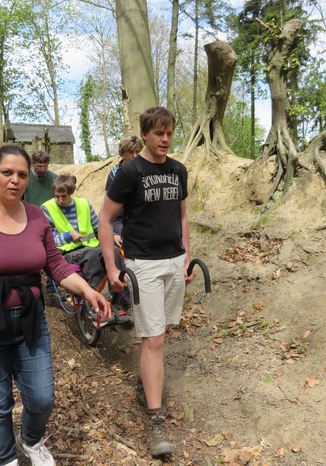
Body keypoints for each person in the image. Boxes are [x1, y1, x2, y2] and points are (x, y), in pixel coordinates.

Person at [0, 145, 110, 466]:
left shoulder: (37, 216)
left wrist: (88, 291)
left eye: (21, 175)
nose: (14, 180)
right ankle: (6, 460)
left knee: (42, 397)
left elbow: (56, 265)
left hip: (29, 318)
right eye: (7, 173)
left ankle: (31, 441)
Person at [99, 107, 194, 457]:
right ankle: (155, 420)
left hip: (173, 261)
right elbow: (106, 221)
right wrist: (112, 267)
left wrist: (186, 256)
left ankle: (145, 382)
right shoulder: (130, 172)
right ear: (145, 135)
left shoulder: (178, 170)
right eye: (158, 133)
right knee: (152, 338)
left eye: (169, 132)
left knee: (161, 331)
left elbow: (183, 215)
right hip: (143, 265)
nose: (165, 139)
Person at [42, 174, 132, 325]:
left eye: (64, 196)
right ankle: (96, 306)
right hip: (68, 253)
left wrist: (113, 235)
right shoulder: (47, 208)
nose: (60, 200)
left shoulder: (84, 204)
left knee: (114, 252)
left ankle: (118, 303)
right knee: (91, 255)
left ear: (71, 192)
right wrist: (68, 235)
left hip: (91, 247)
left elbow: (99, 227)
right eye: (57, 196)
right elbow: (48, 240)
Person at [105, 135, 143, 247]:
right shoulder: (114, 175)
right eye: (131, 152)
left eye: (137, 152)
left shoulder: (144, 171)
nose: (135, 156)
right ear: (122, 153)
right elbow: (107, 207)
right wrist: (112, 233)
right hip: (120, 219)